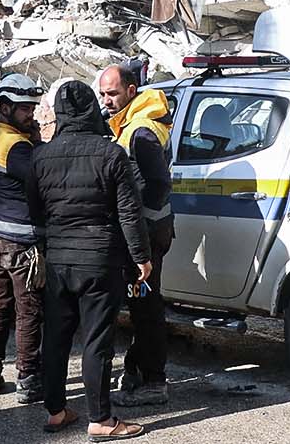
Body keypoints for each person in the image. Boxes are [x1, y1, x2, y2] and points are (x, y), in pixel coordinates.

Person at [31, 81, 151, 439]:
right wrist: (141, 258)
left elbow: (35, 212)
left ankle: (56, 411)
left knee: (55, 338)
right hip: (100, 261)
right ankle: (101, 419)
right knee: (97, 341)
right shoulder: (110, 154)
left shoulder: (40, 156)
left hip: (58, 261)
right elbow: (130, 213)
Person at [98, 64, 175, 407]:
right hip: (146, 231)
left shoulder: (140, 132)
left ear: (131, 91)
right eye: (102, 93)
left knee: (145, 308)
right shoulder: (130, 125)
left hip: (145, 235)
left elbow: (157, 183)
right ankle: (137, 370)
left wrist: (135, 216)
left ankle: (154, 382)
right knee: (142, 304)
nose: (107, 100)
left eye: (112, 93)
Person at [0, 74, 46, 402]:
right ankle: (28, 378)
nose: (30, 114)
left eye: (32, 108)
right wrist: (38, 143)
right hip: (21, 241)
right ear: (3, 107)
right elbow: (40, 177)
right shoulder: (16, 146)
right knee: (28, 309)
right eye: (23, 109)